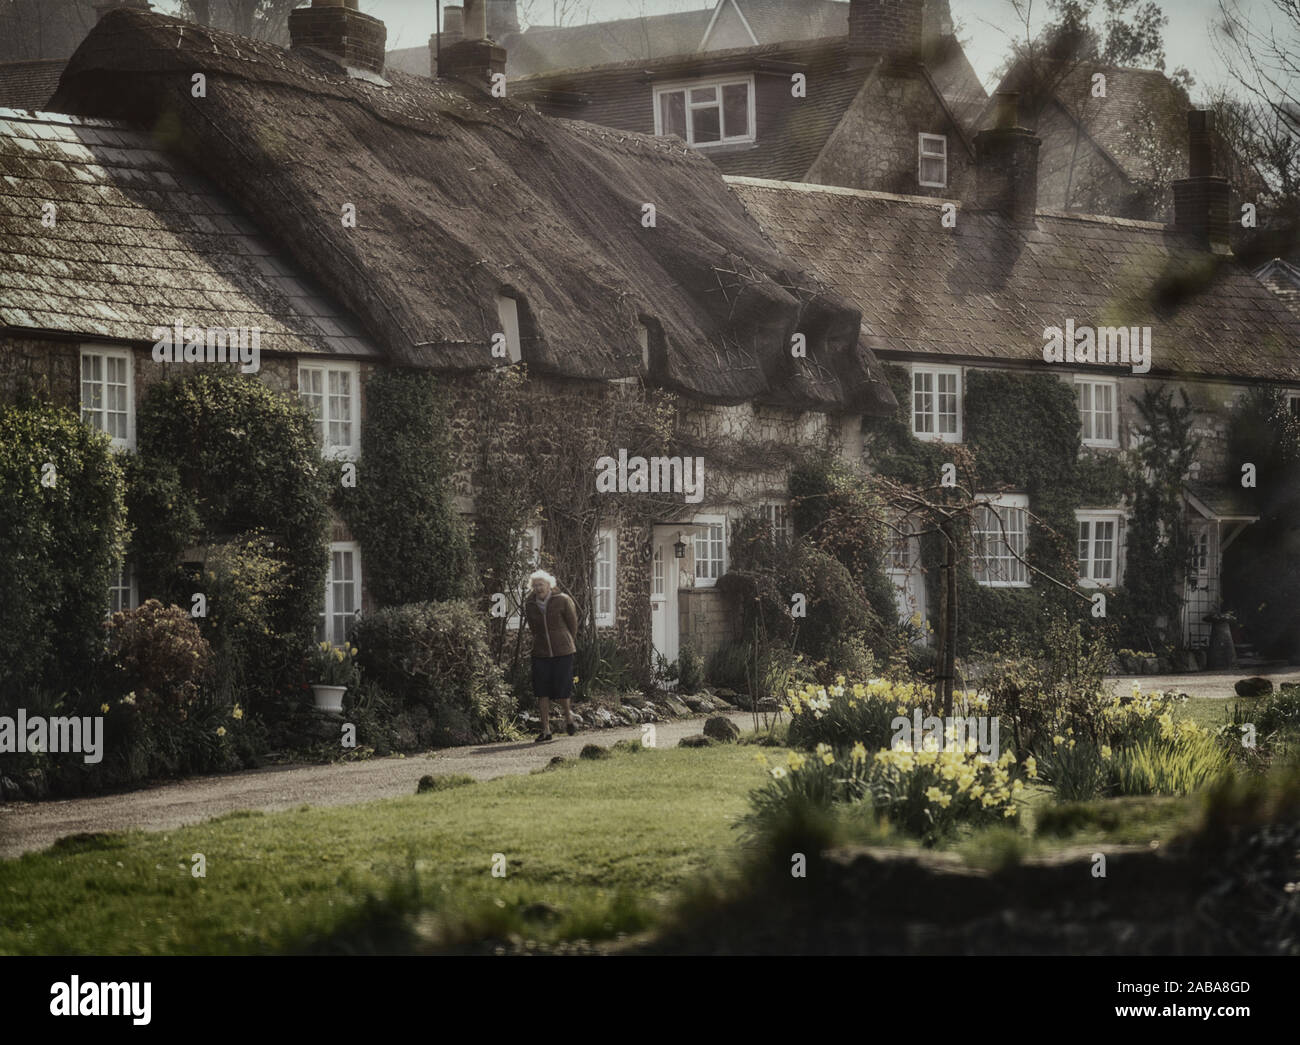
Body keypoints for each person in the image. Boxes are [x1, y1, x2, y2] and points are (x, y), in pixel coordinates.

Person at [523, 569, 579, 742]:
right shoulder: (529, 604)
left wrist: (566, 641)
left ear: (549, 585)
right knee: (541, 691)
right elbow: (532, 627)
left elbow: (573, 624)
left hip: (563, 651)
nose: (539, 588)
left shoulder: (562, 600)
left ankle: (569, 719)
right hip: (540, 652)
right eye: (536, 585)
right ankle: (546, 730)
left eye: (542, 584)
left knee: (562, 690)